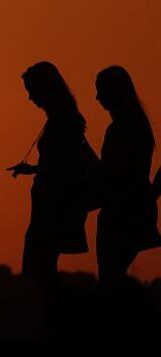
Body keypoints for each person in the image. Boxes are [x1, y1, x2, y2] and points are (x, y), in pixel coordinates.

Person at [7, 61, 89, 293]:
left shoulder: (64, 122)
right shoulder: (62, 120)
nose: (30, 97)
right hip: (47, 207)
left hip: (53, 209)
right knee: (40, 269)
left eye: (32, 90)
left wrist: (39, 170)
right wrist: (33, 169)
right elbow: (56, 164)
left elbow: (62, 166)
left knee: (37, 269)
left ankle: (64, 315)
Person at [94, 66, 161, 289]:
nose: (97, 97)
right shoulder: (137, 125)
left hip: (121, 213)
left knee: (110, 281)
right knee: (113, 279)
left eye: (101, 91)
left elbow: (113, 174)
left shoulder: (121, 129)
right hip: (133, 210)